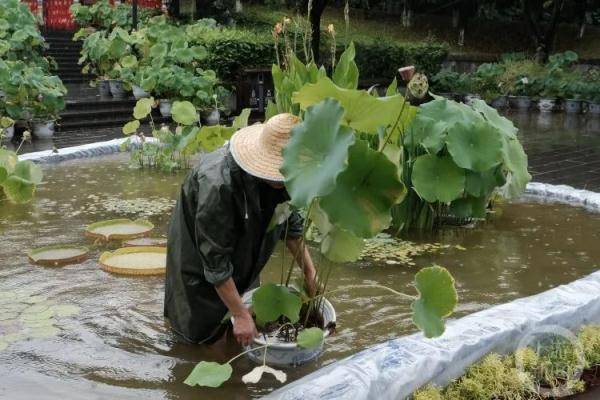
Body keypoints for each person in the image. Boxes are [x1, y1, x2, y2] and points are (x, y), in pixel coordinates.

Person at [164, 113, 317, 347]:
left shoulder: (281, 182)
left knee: (245, 318)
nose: (284, 179)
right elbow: (214, 262)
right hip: (199, 258)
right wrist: (239, 314)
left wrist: (310, 274)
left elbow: (291, 226)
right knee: (200, 335)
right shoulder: (217, 185)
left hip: (245, 248)